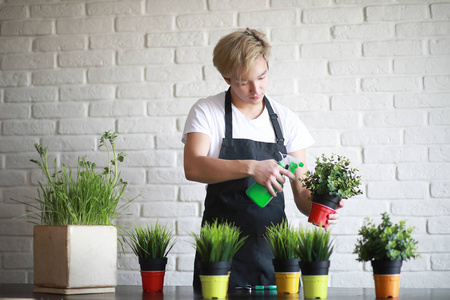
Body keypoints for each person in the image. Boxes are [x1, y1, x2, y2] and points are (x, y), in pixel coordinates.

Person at [182, 28, 343, 290]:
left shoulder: (286, 120)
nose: (256, 89)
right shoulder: (207, 111)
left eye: (262, 76)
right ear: (226, 78)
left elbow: (301, 194)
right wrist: (252, 167)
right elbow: (193, 167)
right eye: (244, 81)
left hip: (275, 257)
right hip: (220, 255)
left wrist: (321, 205)